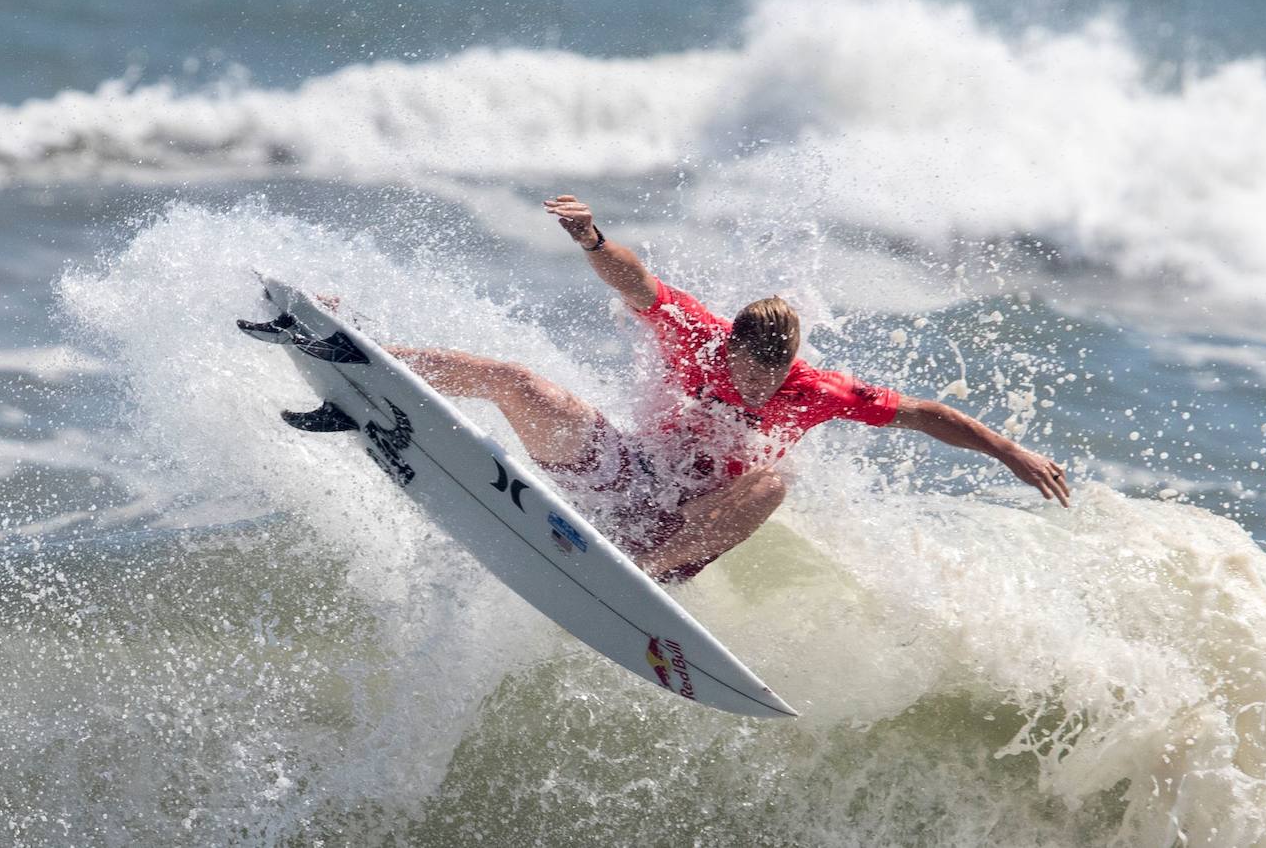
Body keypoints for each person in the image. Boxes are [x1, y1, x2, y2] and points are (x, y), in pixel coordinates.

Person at [387, 195, 1070, 583]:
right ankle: (374, 358)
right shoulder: (697, 334)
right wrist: (593, 237)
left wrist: (1012, 453)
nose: (754, 387)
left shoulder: (817, 389)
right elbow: (636, 281)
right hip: (630, 476)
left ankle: (638, 576)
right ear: (730, 344)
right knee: (520, 383)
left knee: (774, 483)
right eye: (746, 370)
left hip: (681, 531)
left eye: (770, 377)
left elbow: (924, 414)